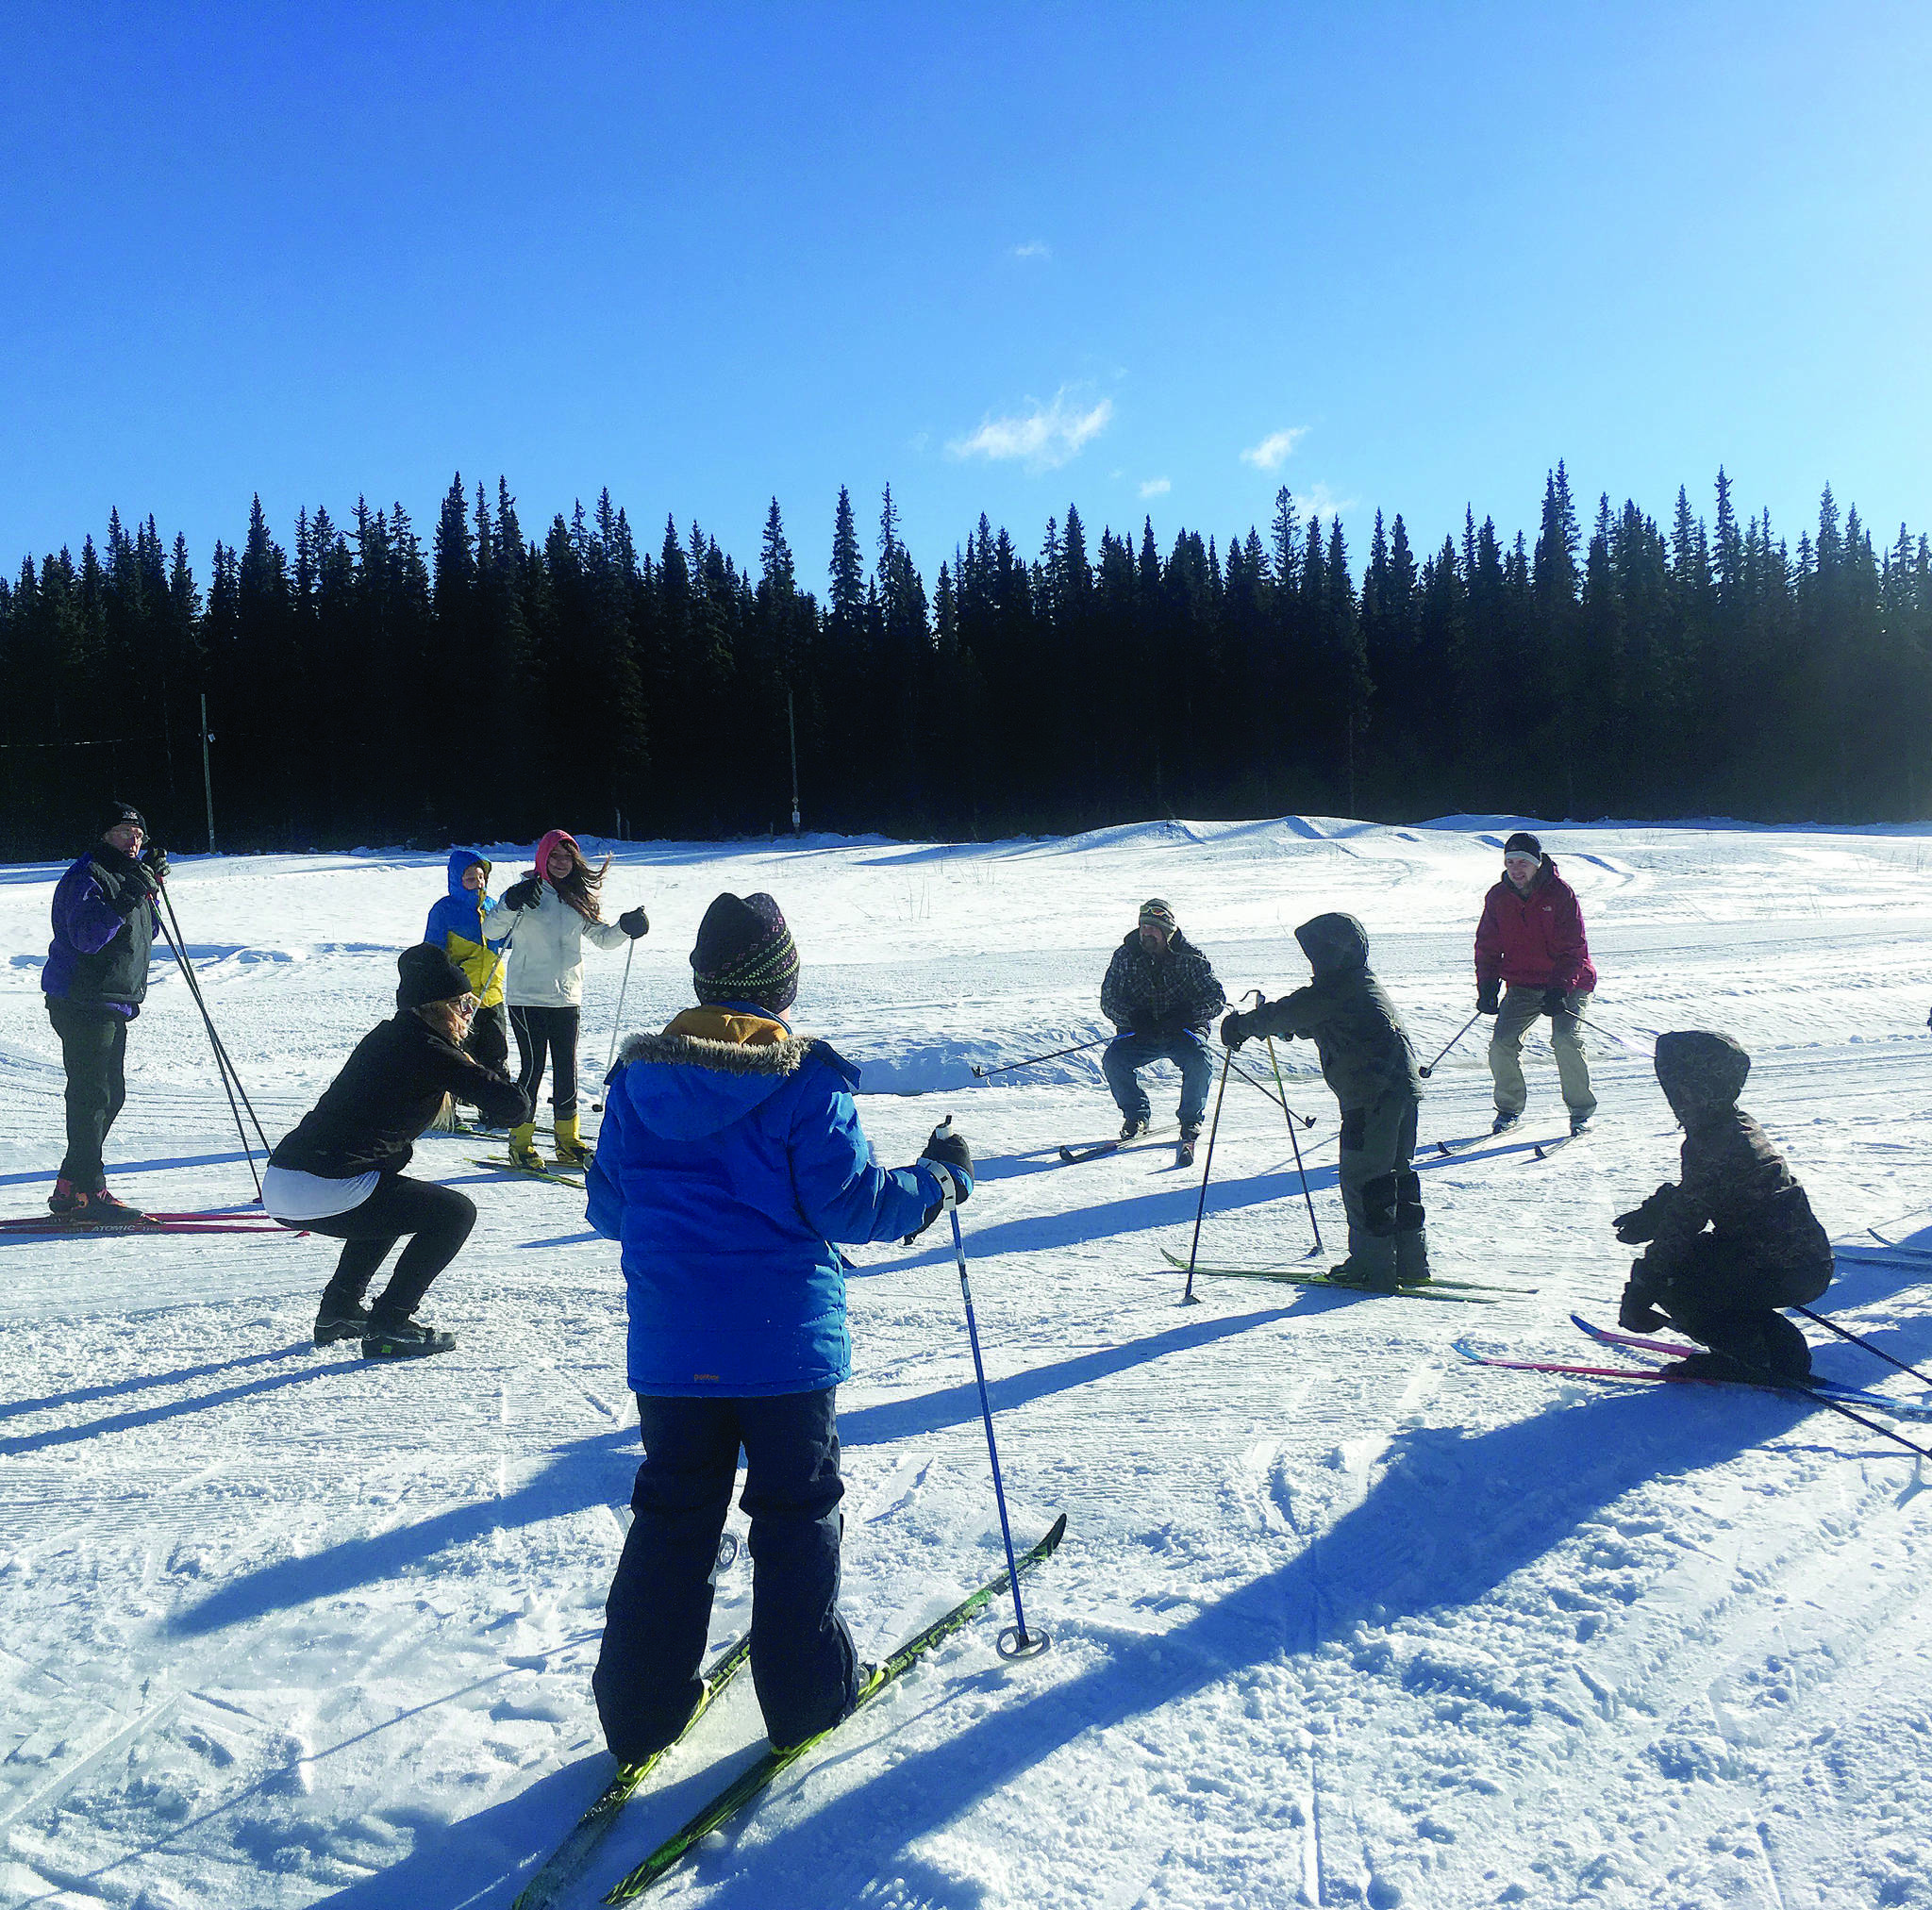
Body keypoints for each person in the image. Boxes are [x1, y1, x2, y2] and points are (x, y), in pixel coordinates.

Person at [586, 890, 971, 1761]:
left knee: (675, 1510)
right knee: (795, 1513)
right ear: (777, 986)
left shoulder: (639, 1077)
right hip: (784, 1349)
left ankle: (640, 1712)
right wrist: (937, 1182)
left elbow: (608, 1206)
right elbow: (850, 1201)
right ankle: (808, 1696)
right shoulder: (804, 1076)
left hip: (674, 1353)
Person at [263, 945, 530, 1357]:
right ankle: (390, 1323)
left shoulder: (392, 1035)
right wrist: (492, 1062)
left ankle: (340, 1310)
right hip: (323, 1185)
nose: (468, 1015)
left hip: (286, 1180)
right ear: (435, 1007)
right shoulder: (429, 1050)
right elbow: (514, 1108)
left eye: (470, 1004)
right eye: (461, 1004)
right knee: (455, 1213)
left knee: (389, 1197)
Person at [1221, 912, 1427, 1291]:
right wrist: (1290, 1027)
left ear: (1332, 953)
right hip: (1400, 1091)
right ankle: (1409, 1261)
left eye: (1315, 954)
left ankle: (1371, 1266)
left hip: (1370, 1097)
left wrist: (1242, 1025)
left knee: (1365, 1180)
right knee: (1396, 1176)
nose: (1312, 963)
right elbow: (1314, 1018)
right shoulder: (1361, 983)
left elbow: (1290, 1012)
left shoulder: (1335, 989)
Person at [1614, 1031, 1831, 1383]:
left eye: (1683, 1088)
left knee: (1677, 1275)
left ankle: (1749, 1358)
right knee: (1698, 1261)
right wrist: (1663, 1208)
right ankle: (1779, 1352)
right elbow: (1707, 1192)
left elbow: (1682, 1228)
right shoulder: (1734, 1125)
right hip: (1805, 1264)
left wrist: (1641, 1291)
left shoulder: (1716, 1142)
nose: (1678, 1099)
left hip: (1780, 1270)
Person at [482, 830, 649, 1171]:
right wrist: (510, 902)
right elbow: (492, 932)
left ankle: (567, 1140)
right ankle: (520, 1142)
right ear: (542, 858)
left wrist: (624, 927)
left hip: (567, 996)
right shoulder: (526, 894)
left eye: (567, 858)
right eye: (554, 856)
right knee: (533, 1067)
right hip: (527, 995)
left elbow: (602, 938)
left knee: (567, 1067)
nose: (560, 863)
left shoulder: (576, 896)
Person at [41, 801, 167, 1221]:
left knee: (109, 1095)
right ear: (104, 836)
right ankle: (88, 1193)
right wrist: (127, 895)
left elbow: (149, 931)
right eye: (122, 832)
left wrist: (149, 888)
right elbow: (87, 937)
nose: (133, 840)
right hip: (82, 999)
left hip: (113, 998)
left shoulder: (125, 874)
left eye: (138, 834)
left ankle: (70, 1185)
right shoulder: (87, 876)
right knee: (93, 1095)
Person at [1474, 831, 1598, 1137]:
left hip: (1569, 982)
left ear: (1537, 863)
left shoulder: (1560, 894)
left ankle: (1581, 1111)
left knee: (1565, 1040)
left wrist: (1559, 989)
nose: (1517, 869)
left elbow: (1574, 950)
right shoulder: (1497, 897)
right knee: (1502, 1043)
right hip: (1523, 983)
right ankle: (1508, 1109)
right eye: (1511, 862)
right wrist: (1487, 986)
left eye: (1524, 862)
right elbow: (1487, 946)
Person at [1099, 899, 1226, 1159]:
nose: (1146, 933)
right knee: (1114, 1060)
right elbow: (1108, 1000)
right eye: (1143, 926)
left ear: (1168, 931)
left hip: (1182, 1031)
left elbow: (1216, 999)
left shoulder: (1191, 957)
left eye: (1153, 928)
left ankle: (1191, 1120)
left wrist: (1187, 1015)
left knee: (1199, 1061)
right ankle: (1136, 1117)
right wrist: (1133, 1017)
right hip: (1139, 1032)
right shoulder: (1124, 956)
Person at [423, 849, 510, 1074]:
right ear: (457, 880)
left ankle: (495, 1107)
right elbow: (433, 953)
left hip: (492, 994)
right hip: (461, 997)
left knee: (496, 1054)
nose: (479, 882)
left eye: (482, 877)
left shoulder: (492, 907)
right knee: (459, 1054)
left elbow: (509, 941)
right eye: (471, 878)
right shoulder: (444, 910)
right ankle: (452, 1104)